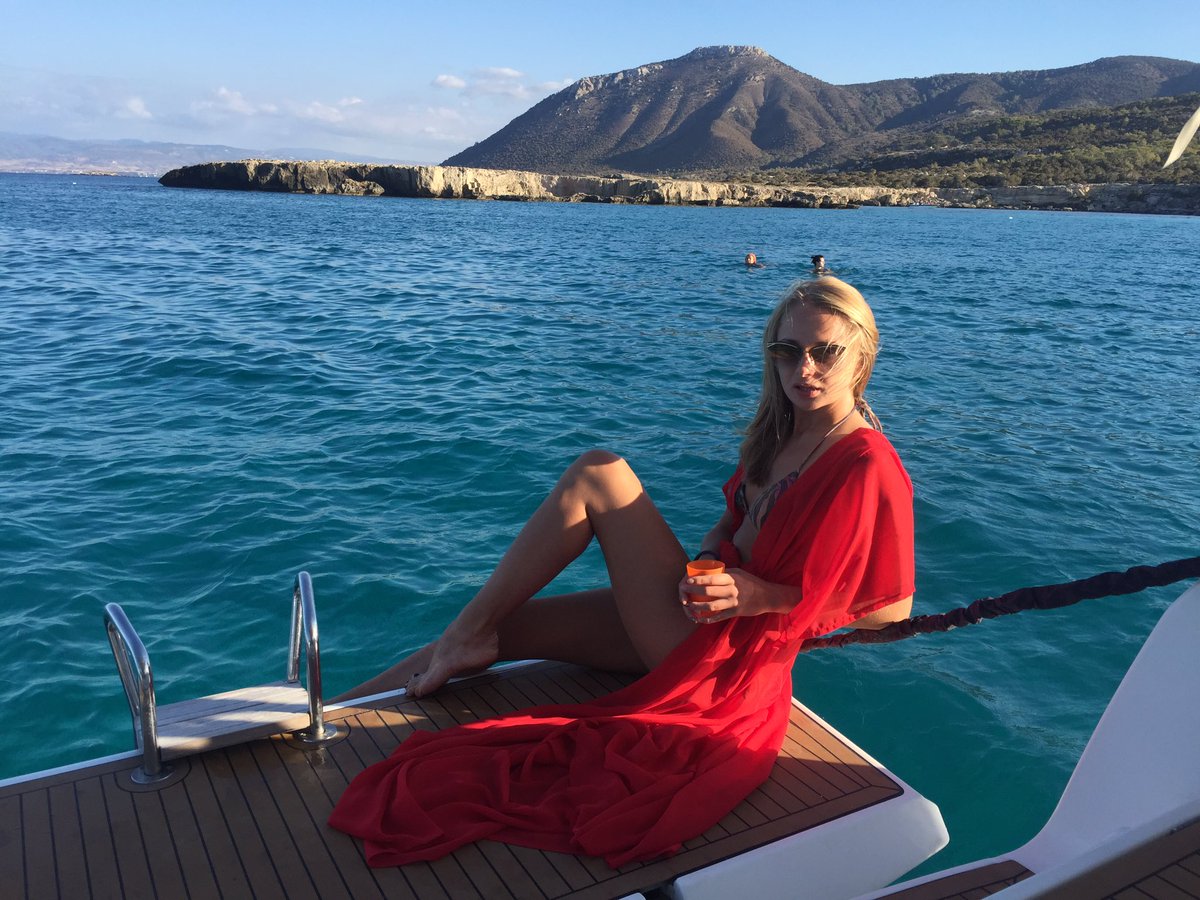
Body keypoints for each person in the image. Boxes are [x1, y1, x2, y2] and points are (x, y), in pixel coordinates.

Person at [328, 277, 915, 868]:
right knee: (503, 628)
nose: (804, 368)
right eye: (787, 350)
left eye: (824, 351)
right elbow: (731, 525)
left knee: (600, 473)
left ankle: (454, 642)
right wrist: (711, 554)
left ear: (862, 353)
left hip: (728, 665)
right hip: (699, 618)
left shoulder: (866, 462)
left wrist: (759, 596)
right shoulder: (781, 432)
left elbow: (890, 609)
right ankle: (322, 714)